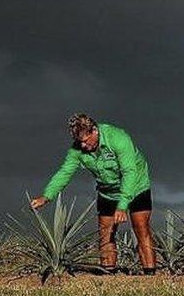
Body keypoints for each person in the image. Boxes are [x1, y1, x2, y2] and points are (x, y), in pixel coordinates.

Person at [30, 113, 156, 275]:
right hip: (107, 191)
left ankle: (150, 274)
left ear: (94, 131)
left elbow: (129, 172)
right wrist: (46, 197)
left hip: (136, 186)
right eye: (78, 142)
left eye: (85, 140)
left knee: (141, 228)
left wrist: (122, 205)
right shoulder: (77, 150)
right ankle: (108, 273)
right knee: (106, 233)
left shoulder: (118, 138)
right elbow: (65, 172)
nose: (82, 145)